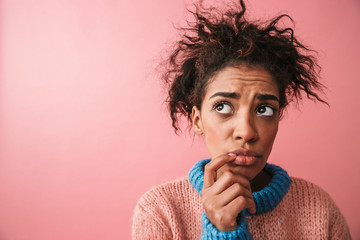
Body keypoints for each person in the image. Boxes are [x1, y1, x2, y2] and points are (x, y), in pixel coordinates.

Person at [132, 0, 351, 239]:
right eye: (223, 106)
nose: (246, 132)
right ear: (197, 120)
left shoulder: (320, 208)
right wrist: (221, 231)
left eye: (264, 110)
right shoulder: (160, 210)